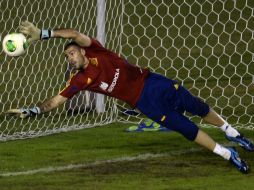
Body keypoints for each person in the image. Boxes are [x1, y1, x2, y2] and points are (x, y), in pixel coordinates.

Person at [7, 21, 254, 173]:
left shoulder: (96, 50)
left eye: (72, 52)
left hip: (153, 82)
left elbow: (73, 32)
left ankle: (233, 133)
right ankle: (226, 153)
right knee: (186, 129)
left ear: (82, 50)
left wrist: (43, 34)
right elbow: (55, 101)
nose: (70, 57)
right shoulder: (79, 81)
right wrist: (32, 111)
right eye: (67, 56)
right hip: (144, 103)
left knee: (198, 107)